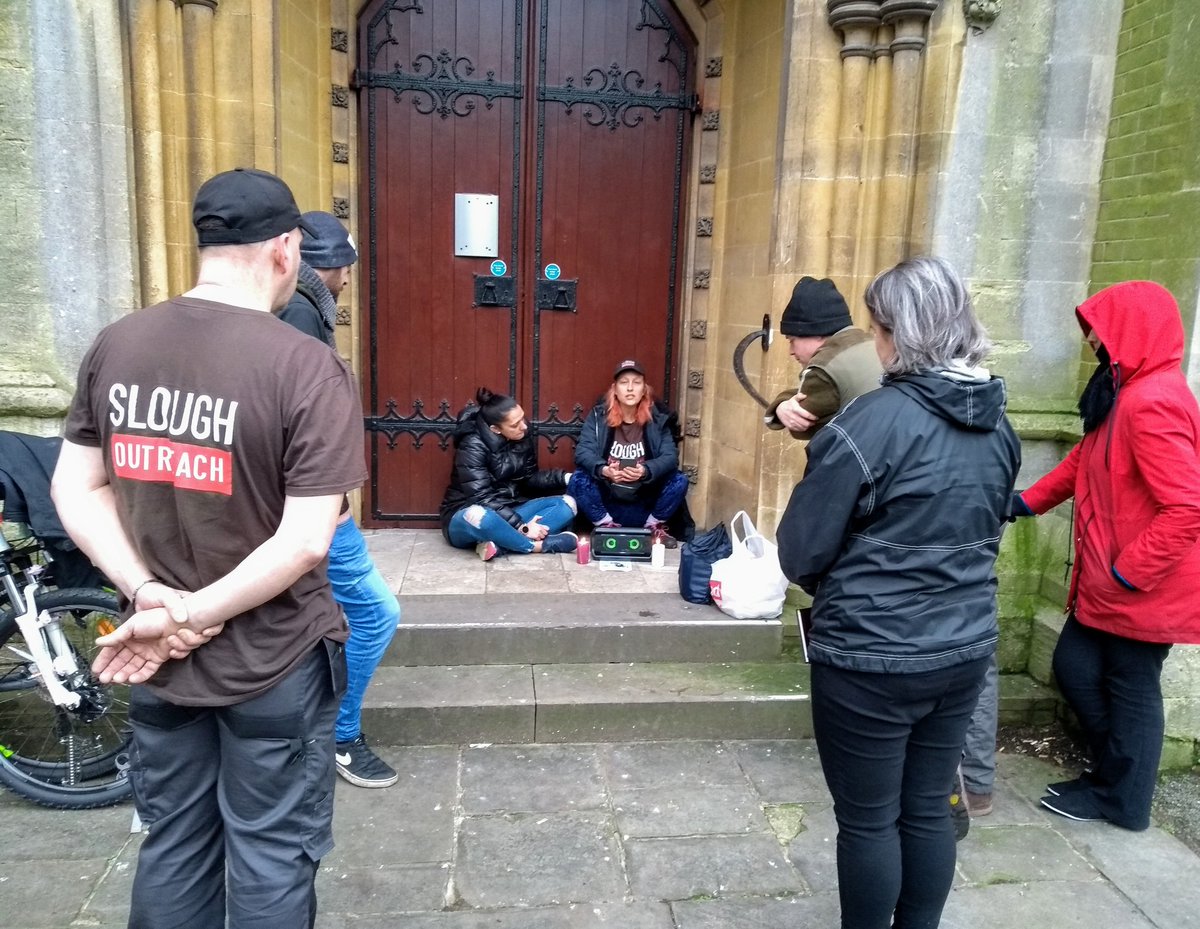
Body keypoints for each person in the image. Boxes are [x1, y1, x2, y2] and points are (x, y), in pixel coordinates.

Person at [51, 167, 367, 929]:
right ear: (287, 248)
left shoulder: (118, 345)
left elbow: (75, 488)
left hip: (157, 658)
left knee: (174, 845)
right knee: (270, 854)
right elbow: (303, 540)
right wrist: (189, 608)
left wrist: (148, 595)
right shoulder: (306, 367)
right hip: (272, 663)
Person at [777, 256, 1019, 929]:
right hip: (962, 647)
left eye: (879, 327)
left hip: (871, 659)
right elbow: (988, 526)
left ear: (898, 334)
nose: (875, 342)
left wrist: (842, 585)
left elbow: (800, 548)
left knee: (868, 820)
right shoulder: (999, 423)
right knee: (926, 806)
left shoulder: (873, 421)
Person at [1012, 280, 1200, 831]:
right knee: (1076, 667)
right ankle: (1114, 777)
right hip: (1112, 581)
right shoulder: (1123, 393)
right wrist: (1025, 502)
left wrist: (1126, 571)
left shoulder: (1151, 401)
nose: (1091, 339)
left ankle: (1122, 799)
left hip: (1140, 584)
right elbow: (1082, 465)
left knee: (1131, 688)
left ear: (1132, 331)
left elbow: (1187, 507)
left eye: (1099, 328)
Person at [276, 211, 401, 789]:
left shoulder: (294, 310)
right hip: (316, 508)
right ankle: (339, 736)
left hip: (302, 503)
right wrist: (333, 499)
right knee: (376, 613)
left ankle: (305, 730)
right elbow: (296, 421)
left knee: (319, 617)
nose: (347, 280)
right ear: (322, 266)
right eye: (343, 267)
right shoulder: (300, 315)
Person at [440, 387, 578, 560]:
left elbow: (529, 478)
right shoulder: (472, 445)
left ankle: (500, 545)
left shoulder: (521, 435)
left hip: (511, 509)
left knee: (567, 505)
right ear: (495, 429)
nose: (524, 426)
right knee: (480, 516)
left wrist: (566, 478)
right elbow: (481, 498)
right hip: (466, 514)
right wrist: (523, 527)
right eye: (515, 425)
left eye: (522, 418)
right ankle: (535, 546)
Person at [568, 359, 689, 544]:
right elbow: (583, 451)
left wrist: (645, 471)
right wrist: (604, 470)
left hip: (644, 498)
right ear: (615, 389)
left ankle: (653, 528)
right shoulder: (598, 416)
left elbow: (670, 457)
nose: (630, 388)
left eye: (637, 382)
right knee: (579, 479)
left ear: (644, 390)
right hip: (608, 497)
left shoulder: (658, 420)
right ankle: (605, 527)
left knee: (679, 480)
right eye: (624, 383)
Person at [765, 276, 882, 439]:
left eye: (792, 341)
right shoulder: (873, 343)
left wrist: (781, 406)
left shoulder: (823, 368)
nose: (791, 351)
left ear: (817, 333)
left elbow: (800, 426)